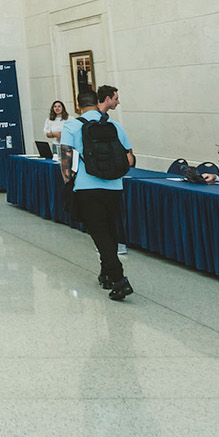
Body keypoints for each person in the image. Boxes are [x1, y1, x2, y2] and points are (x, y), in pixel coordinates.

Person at [60, 85, 136, 301]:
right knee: (110, 230)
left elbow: (65, 161)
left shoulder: (72, 125)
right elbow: (130, 159)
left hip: (87, 187)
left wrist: (69, 184)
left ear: (78, 106)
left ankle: (119, 279)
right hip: (114, 186)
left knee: (99, 233)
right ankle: (106, 274)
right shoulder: (114, 126)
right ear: (97, 103)